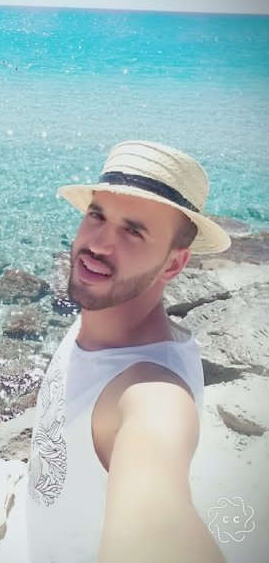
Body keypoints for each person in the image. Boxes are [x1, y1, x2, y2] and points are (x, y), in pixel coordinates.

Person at [26, 140, 231, 562]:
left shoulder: (151, 392)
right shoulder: (104, 315)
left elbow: (158, 524)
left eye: (133, 231)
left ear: (173, 265)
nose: (98, 244)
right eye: (97, 215)